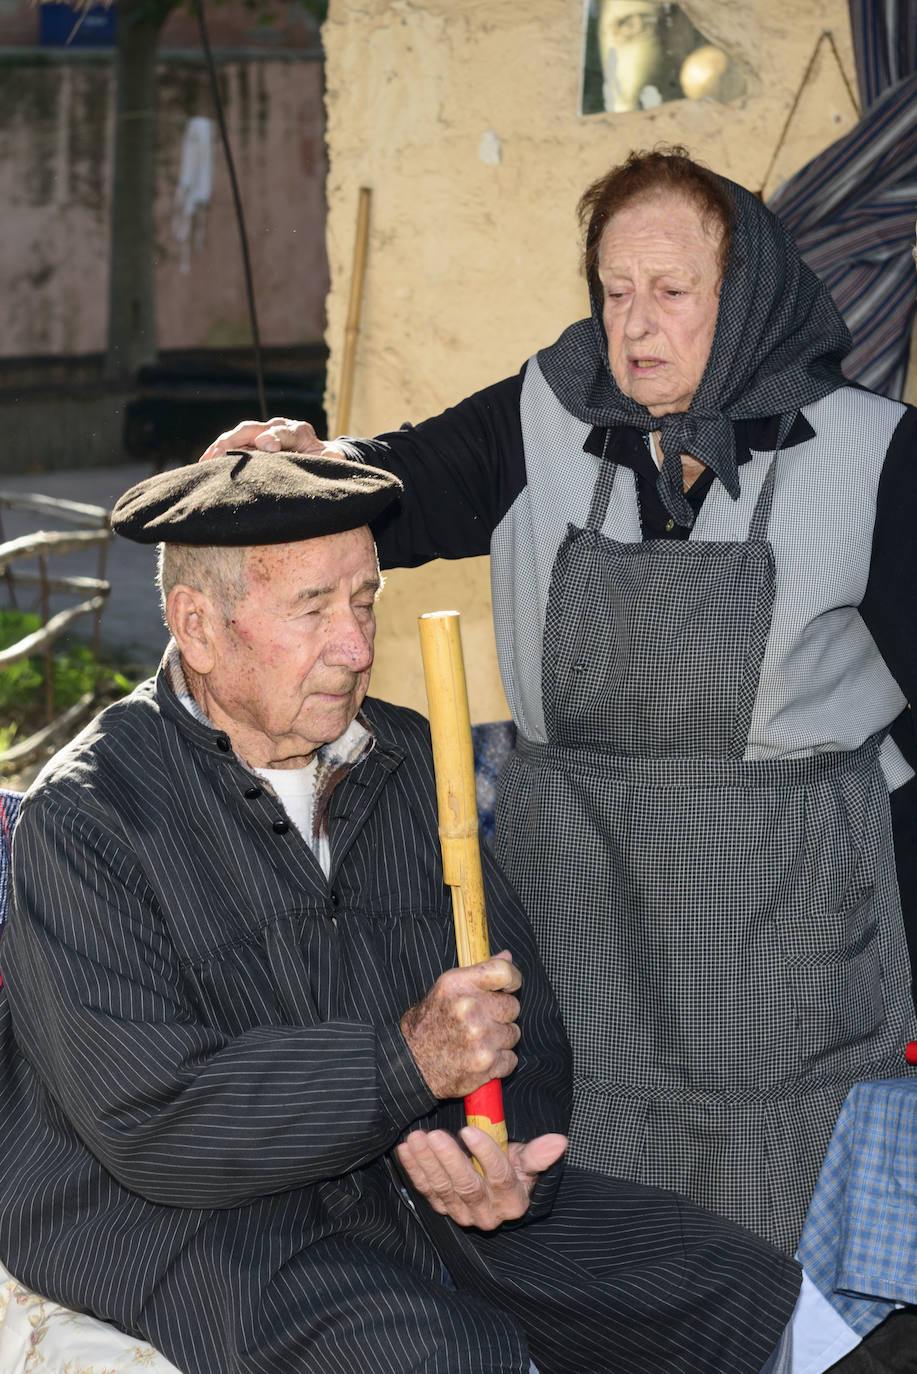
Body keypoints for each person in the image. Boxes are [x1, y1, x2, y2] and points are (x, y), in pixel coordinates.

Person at [202, 145, 917, 1259]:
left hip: (785, 931)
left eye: (674, 293)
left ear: (751, 297)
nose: (635, 325)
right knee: (584, 1208)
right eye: (614, 291)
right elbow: (403, 483)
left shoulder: (872, 454)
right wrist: (296, 468)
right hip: (581, 896)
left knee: (767, 1250)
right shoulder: (552, 408)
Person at [0, 449, 800, 1374]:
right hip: (186, 1217)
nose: (356, 645)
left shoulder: (409, 759)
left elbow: (513, 1012)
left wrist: (498, 1157)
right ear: (198, 626)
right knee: (441, 1357)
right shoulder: (93, 817)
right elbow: (154, 1114)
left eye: (365, 601)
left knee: (733, 1289)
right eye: (313, 609)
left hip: (410, 1175)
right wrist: (405, 1059)